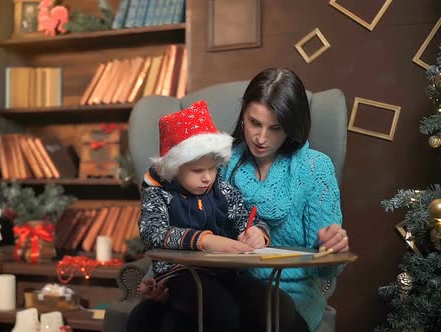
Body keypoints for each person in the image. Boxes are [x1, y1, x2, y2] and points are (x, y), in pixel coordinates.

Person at [133, 68, 351, 332]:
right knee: (158, 319)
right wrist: (157, 279)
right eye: (254, 122)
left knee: (266, 317)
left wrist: (332, 247)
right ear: (243, 113)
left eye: (276, 128)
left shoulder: (315, 168)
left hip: (290, 292)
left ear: (293, 126)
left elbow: (327, 271)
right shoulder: (219, 160)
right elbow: (175, 220)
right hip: (217, 281)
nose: (261, 138)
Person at [129, 100, 271, 332]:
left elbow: (249, 218)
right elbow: (152, 232)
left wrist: (257, 232)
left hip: (221, 273)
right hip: (177, 275)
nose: (207, 178)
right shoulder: (158, 193)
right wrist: (205, 240)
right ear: (174, 168)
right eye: (197, 170)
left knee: (273, 303)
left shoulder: (220, 189)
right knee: (220, 311)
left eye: (213, 169)